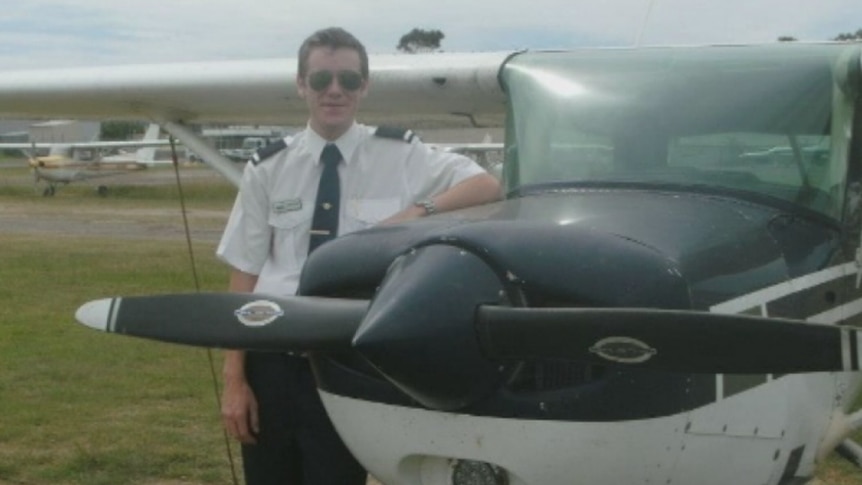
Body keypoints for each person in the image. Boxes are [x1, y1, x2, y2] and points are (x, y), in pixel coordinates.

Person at [215, 26, 502, 485]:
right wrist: (235, 379)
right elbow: (244, 274)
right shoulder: (267, 168)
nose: (334, 91)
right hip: (274, 357)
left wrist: (416, 210)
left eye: (348, 80)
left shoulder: (401, 155)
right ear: (301, 85)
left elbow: (486, 184)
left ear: (364, 87)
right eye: (321, 79)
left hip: (348, 360)